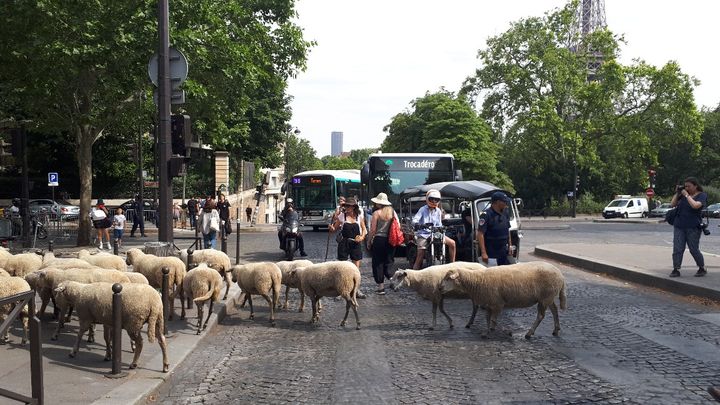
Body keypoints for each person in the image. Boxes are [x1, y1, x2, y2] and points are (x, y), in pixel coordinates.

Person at [669, 177, 707, 277]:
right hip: (679, 225)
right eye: (685, 186)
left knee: (693, 249)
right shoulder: (682, 195)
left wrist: (687, 196)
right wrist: (678, 193)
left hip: (693, 226)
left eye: (689, 186)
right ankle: (676, 269)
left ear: (695, 186)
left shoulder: (701, 195)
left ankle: (701, 267)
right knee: (678, 248)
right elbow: (672, 204)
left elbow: (695, 206)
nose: (687, 188)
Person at [411, 190, 456, 270]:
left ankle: (453, 266)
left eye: (436, 199)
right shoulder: (422, 209)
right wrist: (418, 224)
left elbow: (439, 224)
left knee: (452, 243)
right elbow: (415, 220)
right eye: (432, 199)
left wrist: (444, 227)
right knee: (420, 255)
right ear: (428, 199)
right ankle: (413, 276)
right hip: (424, 234)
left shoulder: (438, 211)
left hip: (436, 233)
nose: (434, 201)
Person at [368, 192, 396, 295]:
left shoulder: (376, 213)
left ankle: (381, 287)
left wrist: (369, 241)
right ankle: (393, 279)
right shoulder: (392, 212)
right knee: (389, 261)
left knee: (378, 262)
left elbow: (373, 230)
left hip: (379, 240)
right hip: (390, 240)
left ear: (379, 203)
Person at [329, 197, 367, 273]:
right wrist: (331, 228)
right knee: (342, 266)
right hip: (344, 242)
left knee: (356, 267)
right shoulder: (342, 216)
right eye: (346, 206)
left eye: (349, 206)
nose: (347, 208)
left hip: (356, 242)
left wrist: (362, 237)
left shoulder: (359, 217)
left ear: (353, 207)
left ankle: (355, 282)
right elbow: (334, 229)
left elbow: (364, 230)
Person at [476, 191, 513, 267]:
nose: (506, 204)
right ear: (498, 202)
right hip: (491, 250)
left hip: (503, 249)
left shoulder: (505, 213)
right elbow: (480, 234)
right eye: (504, 202)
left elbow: (507, 230)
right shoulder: (486, 215)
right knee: (492, 275)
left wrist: (510, 245)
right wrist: (483, 252)